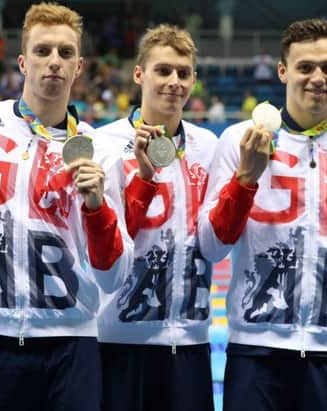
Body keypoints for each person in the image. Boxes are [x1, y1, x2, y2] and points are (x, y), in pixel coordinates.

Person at [197, 18, 327, 411]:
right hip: (255, 352)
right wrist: (245, 180)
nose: (317, 77)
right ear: (283, 71)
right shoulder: (237, 141)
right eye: (305, 67)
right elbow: (210, 246)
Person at [0, 2, 132, 411]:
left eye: (65, 53)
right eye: (43, 51)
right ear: (22, 61)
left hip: (72, 343)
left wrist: (96, 207)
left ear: (80, 66)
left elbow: (114, 275)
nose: (54, 62)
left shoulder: (101, 150)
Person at [97, 24, 218, 411]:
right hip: (117, 341)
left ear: (194, 80)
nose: (174, 82)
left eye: (184, 73)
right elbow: (106, 242)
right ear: (139, 74)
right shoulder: (104, 143)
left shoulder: (209, 146)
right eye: (163, 70)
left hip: (189, 342)